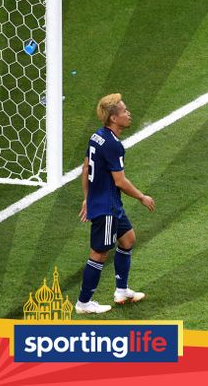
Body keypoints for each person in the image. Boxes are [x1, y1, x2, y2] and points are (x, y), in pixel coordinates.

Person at [75, 93, 155, 314]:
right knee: (99, 254)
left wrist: (87, 197)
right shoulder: (112, 145)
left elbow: (85, 169)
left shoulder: (96, 137)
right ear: (113, 118)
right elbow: (120, 181)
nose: (128, 114)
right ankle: (84, 303)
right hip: (107, 207)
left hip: (108, 204)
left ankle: (121, 290)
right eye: (124, 111)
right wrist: (141, 197)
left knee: (128, 239)